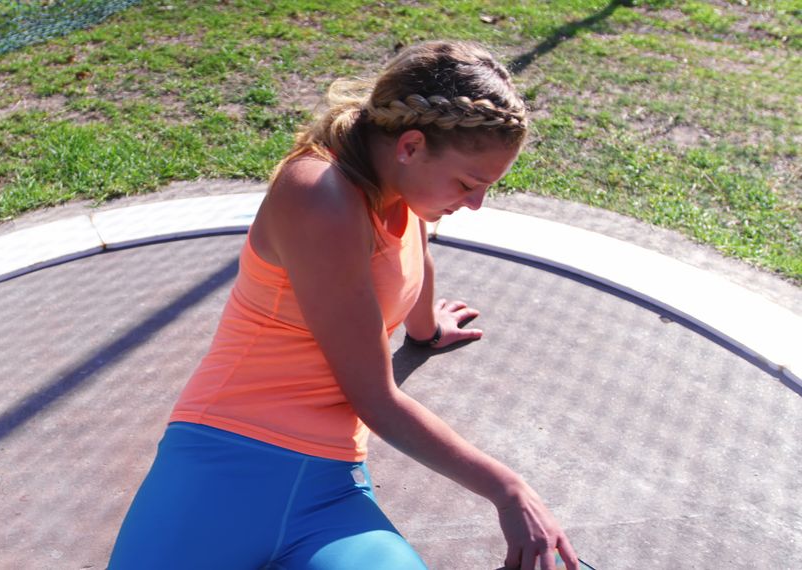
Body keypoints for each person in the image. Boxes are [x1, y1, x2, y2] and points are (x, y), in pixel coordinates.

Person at [109, 40, 578, 570]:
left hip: (329, 487)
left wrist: (425, 330)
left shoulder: (404, 187)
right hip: (224, 452)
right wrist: (509, 489)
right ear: (411, 145)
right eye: (470, 184)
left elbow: (413, 259)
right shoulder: (320, 195)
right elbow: (375, 400)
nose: (475, 203)